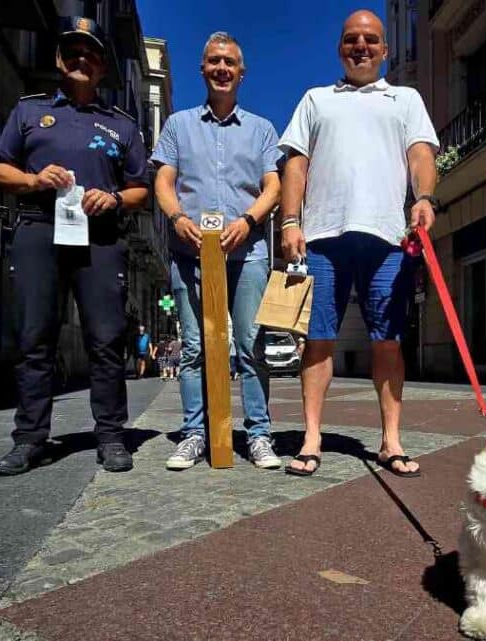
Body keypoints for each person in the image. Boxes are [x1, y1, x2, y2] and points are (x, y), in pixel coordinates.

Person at [279, 10, 439, 477]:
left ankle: (391, 441)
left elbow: (421, 155)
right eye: (352, 39)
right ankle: (312, 438)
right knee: (319, 341)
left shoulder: (404, 99)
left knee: (388, 343)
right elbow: (296, 166)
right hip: (323, 239)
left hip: (388, 238)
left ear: (385, 50)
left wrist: (424, 197)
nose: (361, 46)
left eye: (371, 39)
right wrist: (290, 221)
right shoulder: (316, 99)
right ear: (340, 48)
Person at [0, 17, 148, 475]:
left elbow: (142, 188)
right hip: (39, 228)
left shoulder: (122, 125)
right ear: (60, 60)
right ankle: (30, 438)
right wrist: (34, 179)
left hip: (100, 239)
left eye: (91, 54)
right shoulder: (28, 111)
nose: (82, 59)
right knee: (34, 338)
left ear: (102, 67)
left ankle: (112, 436)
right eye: (73, 52)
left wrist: (114, 197)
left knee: (105, 341)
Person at [152, 31, 282, 470]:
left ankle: (259, 435)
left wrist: (248, 221)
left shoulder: (263, 129)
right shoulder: (178, 125)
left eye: (230, 62)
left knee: (250, 344)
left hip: (248, 254)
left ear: (241, 72)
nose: (222, 69)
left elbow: (274, 186)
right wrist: (177, 218)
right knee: (193, 347)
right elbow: (164, 181)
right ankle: (194, 434)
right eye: (214, 62)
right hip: (190, 253)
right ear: (203, 69)